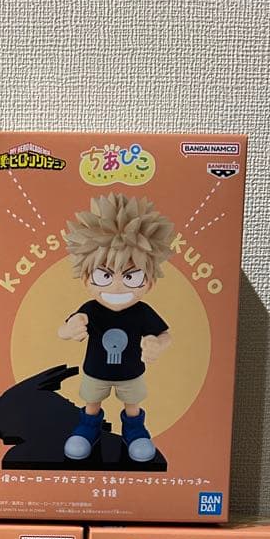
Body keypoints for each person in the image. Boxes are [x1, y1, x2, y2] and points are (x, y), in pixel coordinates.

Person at [59, 193, 174, 462]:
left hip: (131, 374)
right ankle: (88, 428)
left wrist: (158, 345)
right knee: (91, 403)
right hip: (95, 372)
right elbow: (62, 330)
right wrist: (70, 328)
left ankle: (134, 431)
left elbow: (165, 334)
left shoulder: (142, 312)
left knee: (132, 405)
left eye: (132, 276)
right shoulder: (91, 309)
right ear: (86, 278)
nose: (117, 285)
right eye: (105, 275)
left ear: (149, 281)